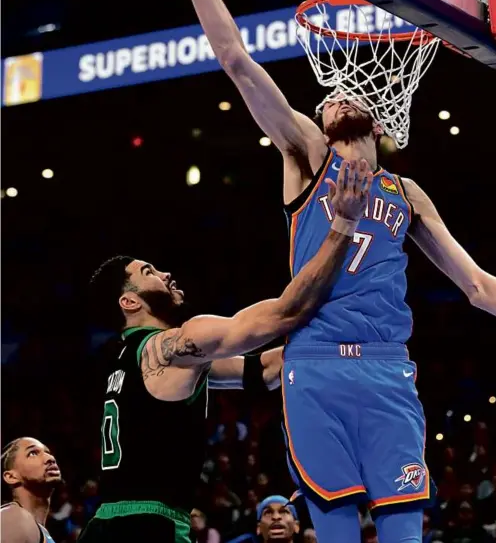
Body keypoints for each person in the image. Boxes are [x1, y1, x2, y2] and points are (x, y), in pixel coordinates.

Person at [143, 0, 496, 543]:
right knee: (338, 529)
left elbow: (476, 284)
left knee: (404, 529)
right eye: (327, 97)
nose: (339, 94)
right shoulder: (304, 156)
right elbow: (235, 59)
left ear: (382, 118)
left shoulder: (406, 193)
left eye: (350, 93)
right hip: (312, 365)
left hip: (386, 367)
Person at [76, 159, 371, 543]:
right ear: (129, 302)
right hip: (148, 527)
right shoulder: (173, 346)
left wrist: (348, 345)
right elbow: (285, 312)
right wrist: (343, 225)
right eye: (149, 272)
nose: (165, 274)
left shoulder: (131, 361)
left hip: (103, 527)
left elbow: (265, 371)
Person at [1, 437, 62, 543]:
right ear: (11, 477)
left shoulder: (35, 529)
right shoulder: (14, 518)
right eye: (33, 453)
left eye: (47, 452)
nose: (50, 458)